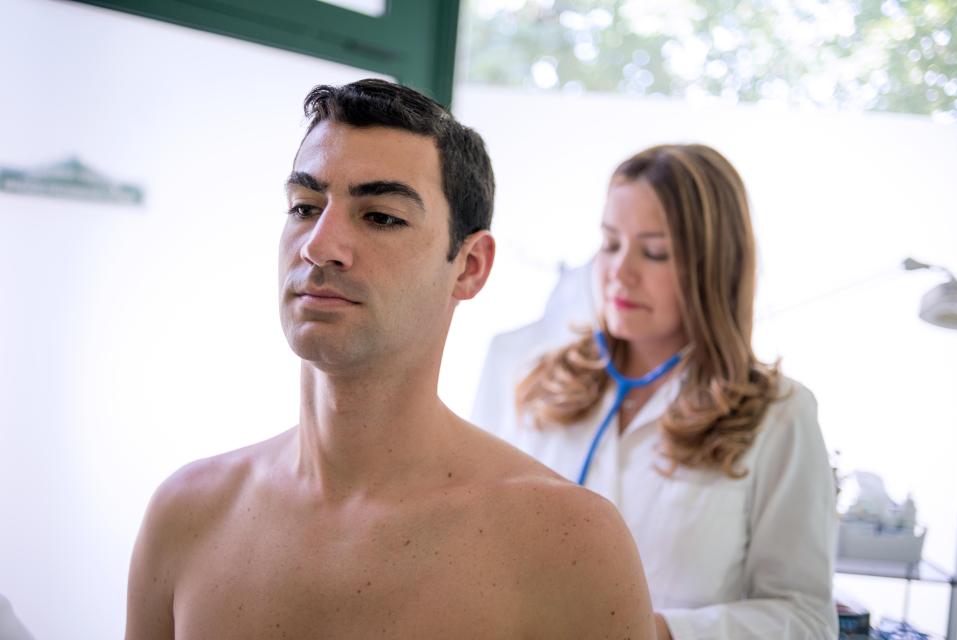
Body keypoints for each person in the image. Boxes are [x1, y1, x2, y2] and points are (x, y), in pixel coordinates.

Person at [124, 79, 656, 639]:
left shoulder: (568, 544)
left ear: (470, 266)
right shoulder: (186, 515)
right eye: (304, 207)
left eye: (380, 217)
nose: (319, 245)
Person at [473, 144, 838, 639]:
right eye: (610, 244)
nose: (620, 272)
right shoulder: (535, 379)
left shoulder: (780, 415)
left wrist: (656, 632)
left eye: (655, 252)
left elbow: (807, 620)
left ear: (714, 265)